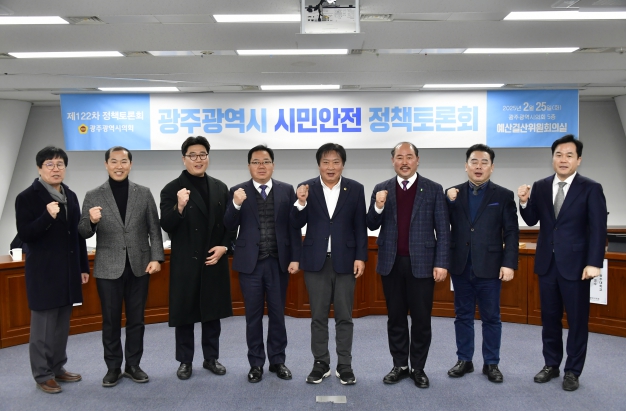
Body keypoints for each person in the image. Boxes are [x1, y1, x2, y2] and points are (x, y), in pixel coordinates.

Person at [518, 134, 607, 392]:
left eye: (569, 155)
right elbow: (532, 220)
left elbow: (598, 228)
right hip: (547, 264)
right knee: (550, 318)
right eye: (559, 155)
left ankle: (573, 370)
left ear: (579, 160)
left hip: (577, 266)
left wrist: (594, 262)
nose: (563, 159)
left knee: (577, 320)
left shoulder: (591, 188)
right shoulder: (541, 186)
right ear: (553, 158)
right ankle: (551, 364)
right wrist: (523, 201)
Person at [78, 146, 164, 387]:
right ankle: (113, 367)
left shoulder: (143, 193)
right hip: (108, 268)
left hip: (140, 266)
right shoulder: (93, 195)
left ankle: (133, 365)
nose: (119, 166)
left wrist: (156, 258)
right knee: (110, 321)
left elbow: (154, 228)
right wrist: (91, 221)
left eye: (123, 161)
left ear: (130, 164)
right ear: (106, 164)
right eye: (114, 161)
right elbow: (82, 231)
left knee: (137, 320)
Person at [366, 142, 450, 388]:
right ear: (392, 161)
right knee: (395, 318)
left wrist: (441, 262)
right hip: (391, 264)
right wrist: (378, 206)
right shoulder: (381, 189)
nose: (404, 162)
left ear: (417, 160)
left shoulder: (433, 189)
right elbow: (371, 224)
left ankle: (419, 368)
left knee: (422, 319)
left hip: (423, 264)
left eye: (409, 157)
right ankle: (400, 365)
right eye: (399, 157)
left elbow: (443, 230)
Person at [290, 143, 367, 385]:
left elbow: (360, 226)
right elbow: (295, 223)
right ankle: (320, 364)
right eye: (325, 162)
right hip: (316, 262)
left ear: (343, 165)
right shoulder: (306, 188)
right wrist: (300, 202)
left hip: (346, 262)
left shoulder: (355, 188)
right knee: (318, 317)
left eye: (335, 162)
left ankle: (344, 365)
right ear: (318, 165)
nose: (330, 167)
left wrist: (361, 257)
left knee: (345, 317)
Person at [160, 136, 236, 380]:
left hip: (213, 260)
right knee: (185, 315)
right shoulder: (172, 189)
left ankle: (211, 358)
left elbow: (230, 223)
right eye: (192, 155)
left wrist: (225, 247)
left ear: (208, 158)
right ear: (184, 159)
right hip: (186, 262)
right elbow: (166, 224)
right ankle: (185, 361)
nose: (198, 159)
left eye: (202, 154)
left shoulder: (220, 187)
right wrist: (179, 207)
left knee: (212, 314)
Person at [15, 146, 89, 394]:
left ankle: (57, 367)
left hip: (68, 273)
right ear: (39, 168)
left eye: (60, 164)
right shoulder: (26, 197)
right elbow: (25, 235)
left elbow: (77, 235)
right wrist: (47, 217)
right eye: (49, 164)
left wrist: (82, 267)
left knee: (61, 326)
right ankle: (42, 374)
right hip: (43, 274)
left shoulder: (71, 195)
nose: (55, 169)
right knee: (42, 328)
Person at [223, 145, 301, 383]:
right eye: (256, 162)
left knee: (278, 315)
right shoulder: (238, 191)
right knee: (253, 317)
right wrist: (236, 204)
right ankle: (256, 363)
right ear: (249, 166)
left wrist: (295, 257)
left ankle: (278, 360)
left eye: (266, 161)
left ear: (273, 165)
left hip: (278, 263)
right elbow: (228, 225)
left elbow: (293, 227)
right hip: (251, 266)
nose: (261, 166)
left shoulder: (286, 190)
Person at [445, 144, 519, 383]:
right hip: (461, 265)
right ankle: (464, 360)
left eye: (484, 162)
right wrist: (448, 200)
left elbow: (511, 232)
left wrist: (509, 263)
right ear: (466, 166)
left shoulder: (504, 195)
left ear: (492, 167)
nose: (478, 167)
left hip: (491, 266)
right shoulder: (452, 194)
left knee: (491, 318)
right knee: (462, 316)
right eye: (474, 162)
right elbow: (442, 225)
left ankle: (491, 363)